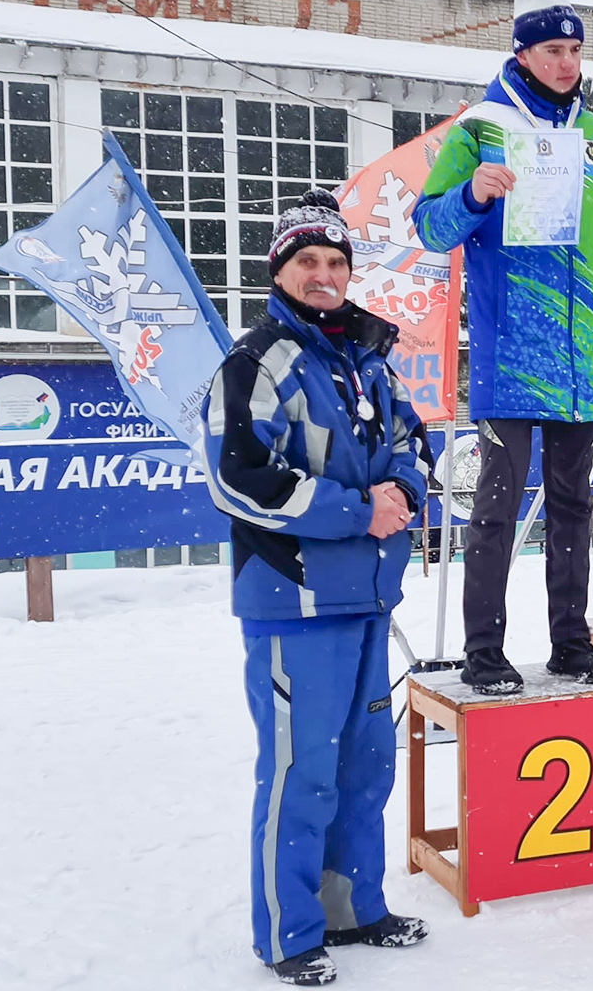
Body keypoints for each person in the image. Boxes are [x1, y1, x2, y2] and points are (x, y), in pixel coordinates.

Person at [204, 190, 432, 985]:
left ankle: (353, 908)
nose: (325, 275)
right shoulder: (254, 361)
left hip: (369, 598)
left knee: (367, 764)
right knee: (302, 771)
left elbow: (413, 440)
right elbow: (237, 479)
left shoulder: (371, 358)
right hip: (294, 603)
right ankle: (289, 933)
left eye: (337, 261)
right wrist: (353, 511)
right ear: (281, 270)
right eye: (309, 261)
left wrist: (404, 489)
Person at [412, 0, 593, 694]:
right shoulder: (480, 130)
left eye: (576, 50)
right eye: (554, 49)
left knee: (575, 508)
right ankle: (484, 651)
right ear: (521, 51)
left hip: (583, 358)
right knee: (494, 508)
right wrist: (475, 197)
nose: (567, 62)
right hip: (511, 350)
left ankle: (570, 643)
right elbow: (429, 226)